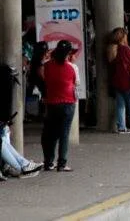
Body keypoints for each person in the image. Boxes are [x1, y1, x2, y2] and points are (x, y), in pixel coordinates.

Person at [39, 40, 78, 172]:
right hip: (68, 103)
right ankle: (62, 163)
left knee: (51, 133)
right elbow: (75, 82)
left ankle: (49, 162)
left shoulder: (48, 66)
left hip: (52, 103)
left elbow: (45, 79)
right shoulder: (71, 68)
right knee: (64, 133)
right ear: (68, 53)